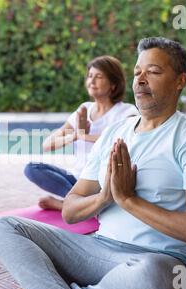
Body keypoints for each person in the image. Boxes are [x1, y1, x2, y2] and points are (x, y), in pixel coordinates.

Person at [0, 37, 186, 289]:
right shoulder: (115, 132)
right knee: (5, 227)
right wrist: (104, 198)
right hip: (98, 251)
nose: (141, 79)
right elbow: (70, 210)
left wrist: (128, 200)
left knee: (152, 279)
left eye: (154, 71)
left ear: (180, 81)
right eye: (137, 72)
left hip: (162, 263)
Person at [24, 55, 138, 211]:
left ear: (113, 84)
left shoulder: (126, 112)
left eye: (98, 77)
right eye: (90, 76)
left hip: (102, 183)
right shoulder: (84, 108)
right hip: (77, 180)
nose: (92, 81)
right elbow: (47, 144)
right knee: (32, 168)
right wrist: (75, 135)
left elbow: (129, 141)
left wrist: (87, 137)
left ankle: (75, 205)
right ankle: (81, 204)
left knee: (106, 189)